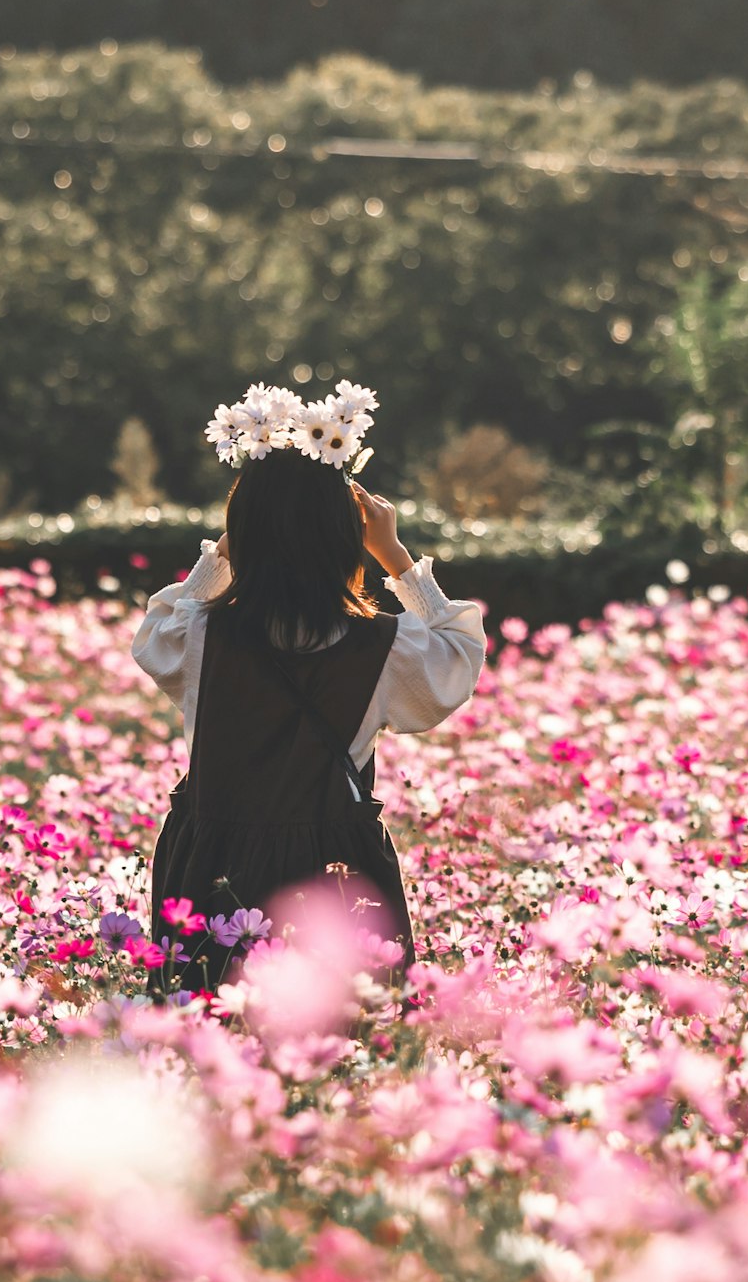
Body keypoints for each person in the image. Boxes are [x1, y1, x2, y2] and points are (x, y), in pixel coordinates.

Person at [132, 384, 487, 991]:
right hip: (334, 878)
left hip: (211, 865)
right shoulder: (386, 646)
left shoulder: (197, 636)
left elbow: (157, 629)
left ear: (240, 533)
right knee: (336, 1051)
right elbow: (459, 656)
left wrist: (223, 554)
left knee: (204, 1035)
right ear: (347, 537)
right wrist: (397, 559)